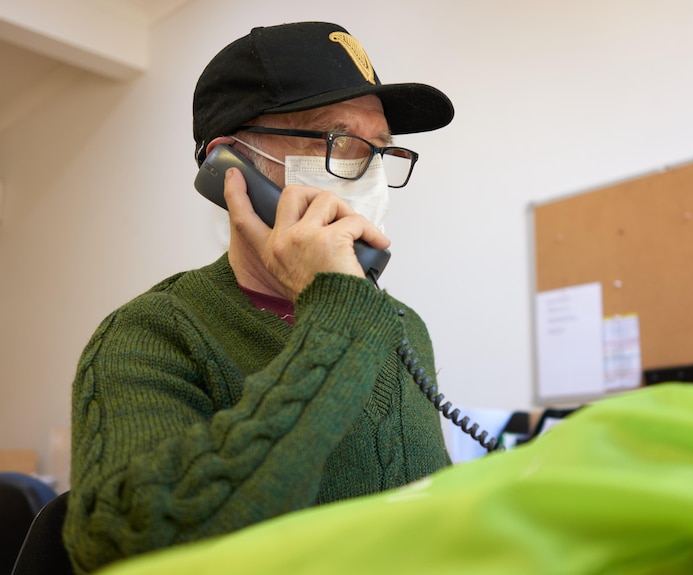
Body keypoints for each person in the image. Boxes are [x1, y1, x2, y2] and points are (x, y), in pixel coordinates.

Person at [63, 22, 454, 574]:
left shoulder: (398, 325)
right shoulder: (151, 334)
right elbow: (122, 543)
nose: (369, 177)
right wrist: (336, 316)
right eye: (340, 143)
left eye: (382, 151)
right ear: (232, 169)